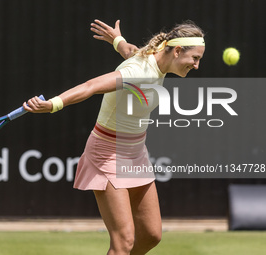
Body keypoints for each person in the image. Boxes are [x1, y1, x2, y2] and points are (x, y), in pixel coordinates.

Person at [24, 19, 205, 255]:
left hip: (136, 153)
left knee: (151, 235)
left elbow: (130, 51)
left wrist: (117, 40)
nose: (197, 65)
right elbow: (91, 85)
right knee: (123, 242)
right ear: (178, 51)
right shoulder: (137, 72)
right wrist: (53, 104)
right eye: (195, 58)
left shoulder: (154, 60)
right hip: (107, 153)